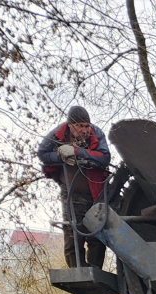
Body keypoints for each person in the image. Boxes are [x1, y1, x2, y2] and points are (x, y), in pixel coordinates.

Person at [37, 105, 111, 269]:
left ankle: (95, 270)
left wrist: (78, 153)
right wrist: (61, 155)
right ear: (70, 124)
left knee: (96, 231)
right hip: (70, 191)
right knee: (72, 230)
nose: (85, 130)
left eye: (87, 126)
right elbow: (42, 154)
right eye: (80, 126)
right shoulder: (58, 134)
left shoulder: (96, 134)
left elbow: (105, 158)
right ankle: (76, 270)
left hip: (95, 191)